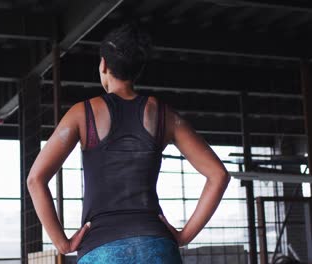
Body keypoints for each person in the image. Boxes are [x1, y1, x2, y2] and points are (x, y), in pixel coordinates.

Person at [27, 23, 231, 263]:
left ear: (103, 64)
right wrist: (185, 235)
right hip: (157, 245)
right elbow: (219, 175)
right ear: (138, 70)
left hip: (101, 248)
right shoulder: (165, 116)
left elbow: (35, 179)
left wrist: (62, 243)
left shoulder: (82, 113)